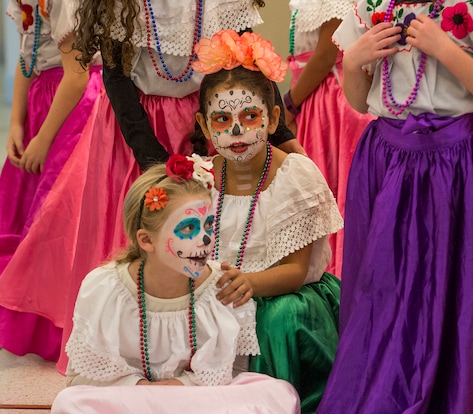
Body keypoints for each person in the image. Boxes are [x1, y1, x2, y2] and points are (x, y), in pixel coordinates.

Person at [0, 0, 300, 375]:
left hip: (201, 125)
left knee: (200, 236)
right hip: (133, 132)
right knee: (141, 234)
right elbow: (116, 78)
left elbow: (247, 61)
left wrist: (286, 140)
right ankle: (132, 352)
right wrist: (155, 164)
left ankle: (201, 351)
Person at [317, 0, 473, 412]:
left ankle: (449, 391)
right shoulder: (371, 5)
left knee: (453, 282)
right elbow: (360, 104)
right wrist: (354, 62)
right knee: (382, 283)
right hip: (388, 160)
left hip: (456, 164)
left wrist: (444, 48)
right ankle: (381, 388)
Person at [51, 155, 300, 413]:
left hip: (194, 399)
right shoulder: (104, 288)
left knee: (278, 392)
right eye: (188, 228)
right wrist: (144, 389)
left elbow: (234, 370)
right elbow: (80, 378)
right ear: (147, 240)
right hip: (132, 400)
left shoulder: (222, 286)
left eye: (208, 225)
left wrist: (180, 386)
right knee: (69, 402)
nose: (204, 239)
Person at [190, 30, 344, 413]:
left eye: (250, 115)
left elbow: (295, 271)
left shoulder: (295, 176)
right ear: (206, 127)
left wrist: (250, 284)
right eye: (222, 120)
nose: (237, 131)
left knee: (279, 316)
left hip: (284, 296)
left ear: (274, 118)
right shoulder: (200, 179)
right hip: (222, 293)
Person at [0, 0, 101, 361]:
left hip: (73, 104)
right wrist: (16, 122)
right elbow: (27, 57)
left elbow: (76, 76)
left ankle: (60, 326)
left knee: (54, 215)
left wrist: (43, 138)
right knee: (21, 210)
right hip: (43, 98)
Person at [284, 0, 375, 277]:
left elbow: (326, 54)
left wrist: (290, 103)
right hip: (317, 98)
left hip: (333, 101)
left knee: (337, 190)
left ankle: (342, 274)